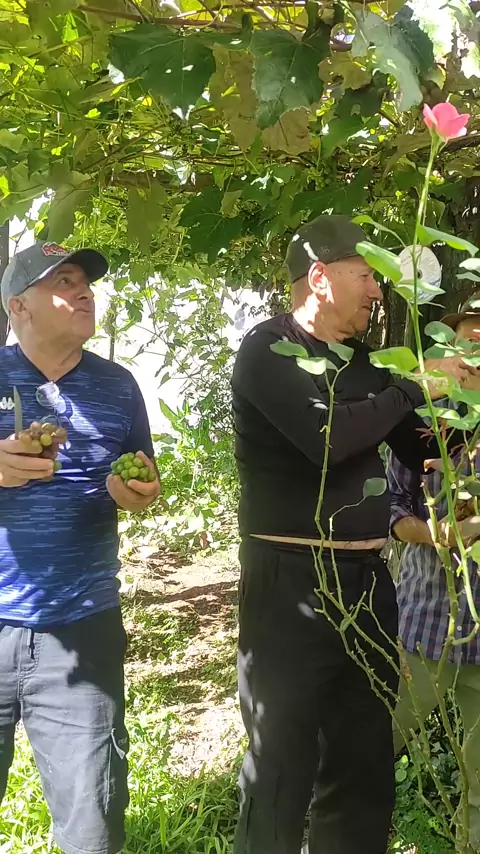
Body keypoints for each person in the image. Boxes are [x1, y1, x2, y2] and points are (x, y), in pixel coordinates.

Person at [231, 215, 473, 854]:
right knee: (281, 763)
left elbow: (427, 448)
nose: (377, 290)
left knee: (362, 762)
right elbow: (327, 440)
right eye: (366, 275)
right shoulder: (268, 349)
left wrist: (461, 396)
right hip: (290, 584)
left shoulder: (366, 366)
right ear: (320, 278)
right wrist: (410, 386)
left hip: (368, 585)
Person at [0, 241, 161, 854]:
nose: (83, 292)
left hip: (83, 627)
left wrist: (135, 492)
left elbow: (139, 475)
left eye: (84, 282)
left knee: (93, 829)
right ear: (19, 307)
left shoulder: (117, 387)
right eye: (62, 283)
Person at [388, 293, 480, 852]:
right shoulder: (422, 422)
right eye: (471, 335)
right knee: (375, 740)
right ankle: (319, 829)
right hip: (425, 625)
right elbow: (392, 509)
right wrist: (435, 533)